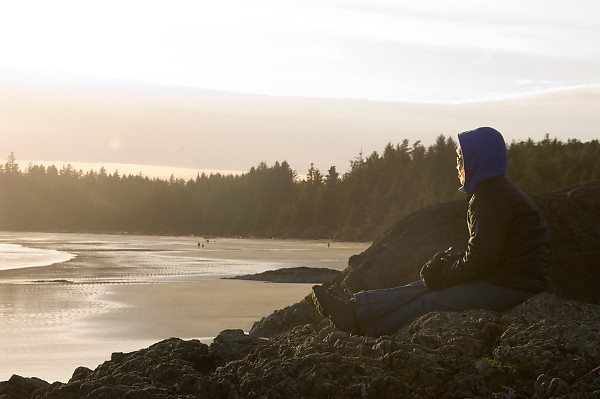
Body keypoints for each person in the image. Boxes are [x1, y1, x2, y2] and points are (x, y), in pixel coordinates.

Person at [312, 127, 551, 337]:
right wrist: (445, 270)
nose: (457, 166)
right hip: (507, 279)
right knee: (423, 285)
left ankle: (362, 327)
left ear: (478, 160)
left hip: (513, 286)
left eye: (460, 159)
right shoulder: (494, 192)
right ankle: (353, 310)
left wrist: (445, 275)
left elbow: (483, 259)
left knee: (431, 301)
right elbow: (486, 253)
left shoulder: (490, 197)